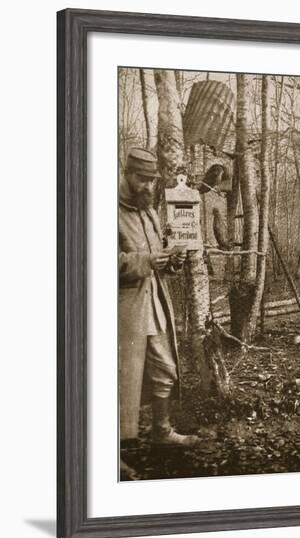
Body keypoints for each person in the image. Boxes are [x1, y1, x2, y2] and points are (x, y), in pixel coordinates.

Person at [119, 147, 199, 452]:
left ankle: (161, 431)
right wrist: (148, 261)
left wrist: (172, 260)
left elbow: (158, 253)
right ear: (126, 175)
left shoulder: (149, 210)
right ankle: (108, 456)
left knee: (165, 368)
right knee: (119, 378)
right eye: (142, 179)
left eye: (152, 181)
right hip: (124, 310)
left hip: (155, 304)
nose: (149, 187)